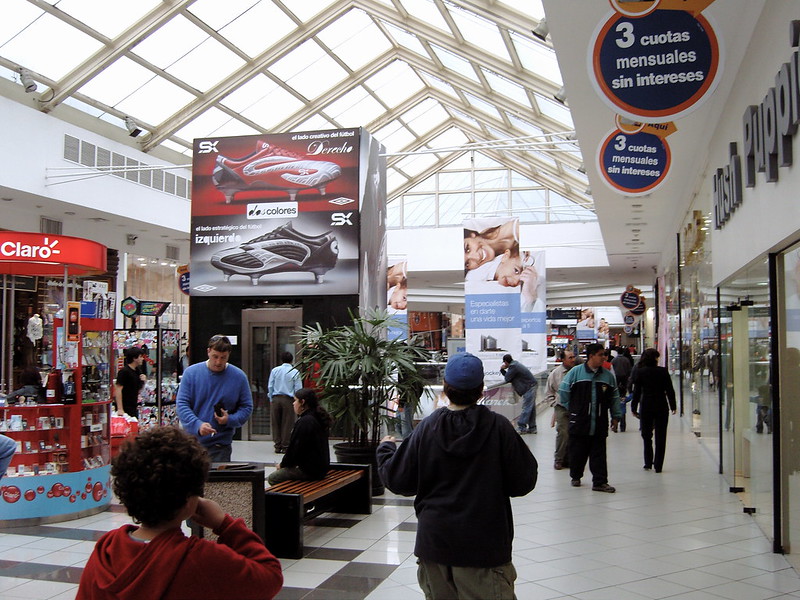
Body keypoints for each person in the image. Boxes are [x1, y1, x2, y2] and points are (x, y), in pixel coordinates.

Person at [376, 352, 537, 600]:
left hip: (435, 546)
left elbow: (399, 481)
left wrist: (386, 450)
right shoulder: (499, 428)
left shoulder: (426, 428)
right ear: (481, 389)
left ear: (446, 387)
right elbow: (523, 482)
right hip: (484, 549)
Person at [76, 427, 283, 599]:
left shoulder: (105, 552)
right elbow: (270, 577)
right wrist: (225, 525)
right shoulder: (202, 559)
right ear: (189, 500)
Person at [176, 335, 253, 462]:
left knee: (217, 481)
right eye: (215, 357)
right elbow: (182, 404)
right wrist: (197, 425)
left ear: (229, 355)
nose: (218, 362)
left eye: (223, 358)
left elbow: (246, 407)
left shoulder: (239, 377)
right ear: (208, 352)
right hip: (192, 444)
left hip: (220, 445)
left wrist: (229, 419)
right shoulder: (191, 373)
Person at [559, 342, 622, 492]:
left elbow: (614, 397)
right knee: (578, 451)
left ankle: (600, 481)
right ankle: (576, 475)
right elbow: (563, 391)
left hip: (599, 421)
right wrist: (573, 409)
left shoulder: (607, 376)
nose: (604, 358)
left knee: (598, 452)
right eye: (601, 355)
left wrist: (616, 416)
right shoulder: (576, 373)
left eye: (604, 355)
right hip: (579, 421)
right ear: (591, 356)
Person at [267, 388, 331, 485]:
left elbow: (294, 450)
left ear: (302, 402)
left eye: (295, 400)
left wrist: (283, 465)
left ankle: (289, 499)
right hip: (320, 468)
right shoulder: (316, 417)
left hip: (310, 471)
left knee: (273, 478)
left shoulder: (305, 421)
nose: (293, 404)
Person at [630, 348, 677, 473]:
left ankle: (648, 462)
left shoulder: (641, 372)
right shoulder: (663, 372)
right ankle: (658, 464)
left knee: (646, 435)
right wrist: (673, 406)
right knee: (661, 436)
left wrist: (633, 407)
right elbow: (670, 390)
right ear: (655, 359)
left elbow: (637, 392)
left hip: (646, 405)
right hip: (661, 405)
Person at [545, 349, 576, 470]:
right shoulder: (556, 373)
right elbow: (549, 391)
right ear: (563, 359)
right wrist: (554, 404)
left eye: (573, 357)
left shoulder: (577, 371)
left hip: (576, 407)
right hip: (561, 407)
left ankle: (568, 459)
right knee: (562, 433)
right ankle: (559, 459)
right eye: (570, 358)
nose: (573, 360)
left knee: (573, 434)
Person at [268, 351, 302, 454]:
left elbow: (270, 386)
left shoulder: (275, 370)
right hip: (288, 399)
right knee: (288, 423)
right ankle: (285, 445)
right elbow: (298, 388)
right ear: (292, 360)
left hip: (276, 398)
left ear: (281, 360)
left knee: (276, 422)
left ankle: (277, 445)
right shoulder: (295, 372)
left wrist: (271, 398)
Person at [501, 353, 538, 434]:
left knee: (527, 408)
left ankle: (522, 427)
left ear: (506, 362)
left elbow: (507, 378)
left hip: (529, 387)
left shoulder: (513, 367)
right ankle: (532, 427)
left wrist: (502, 370)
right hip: (531, 386)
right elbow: (510, 377)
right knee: (530, 408)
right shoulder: (515, 365)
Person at [114, 348, 146, 417]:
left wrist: (143, 381)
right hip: (125, 406)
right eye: (140, 357)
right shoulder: (124, 372)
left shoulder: (137, 370)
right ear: (134, 358)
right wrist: (120, 408)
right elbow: (118, 389)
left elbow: (138, 389)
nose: (142, 359)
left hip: (134, 405)